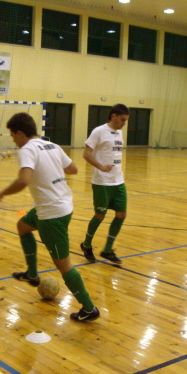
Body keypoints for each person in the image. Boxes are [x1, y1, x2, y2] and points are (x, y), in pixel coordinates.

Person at [0, 113, 99, 322]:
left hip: (52, 215)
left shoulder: (27, 150)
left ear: (20, 133)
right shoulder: (52, 146)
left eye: (13, 136)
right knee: (22, 226)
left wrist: (2, 193)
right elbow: (73, 169)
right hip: (63, 206)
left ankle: (89, 308)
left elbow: (24, 180)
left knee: (64, 264)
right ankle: (32, 274)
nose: (13, 140)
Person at [80, 104, 129, 265]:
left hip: (118, 181)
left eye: (126, 120)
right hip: (102, 182)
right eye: (122, 120)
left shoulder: (119, 132)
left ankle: (107, 249)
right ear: (113, 116)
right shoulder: (99, 132)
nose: (124, 123)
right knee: (100, 216)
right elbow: (86, 154)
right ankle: (86, 245)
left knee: (121, 215)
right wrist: (100, 166)